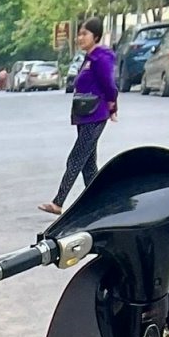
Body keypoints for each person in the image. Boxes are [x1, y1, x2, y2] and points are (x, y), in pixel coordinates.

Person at [42, 18, 117, 215]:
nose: (80, 37)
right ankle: (102, 204)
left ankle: (58, 202)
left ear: (96, 36)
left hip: (96, 114)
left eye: (85, 34)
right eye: (80, 34)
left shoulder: (101, 57)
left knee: (76, 158)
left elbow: (109, 84)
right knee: (89, 165)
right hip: (85, 114)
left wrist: (112, 103)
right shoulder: (89, 57)